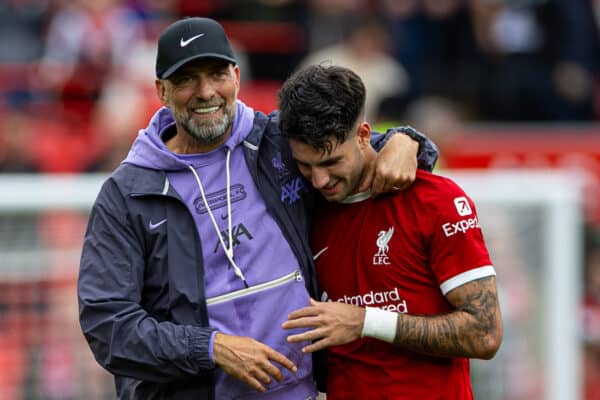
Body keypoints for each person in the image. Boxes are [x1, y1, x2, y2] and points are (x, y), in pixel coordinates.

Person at [77, 17, 439, 400]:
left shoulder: (276, 142)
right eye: (186, 79)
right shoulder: (126, 194)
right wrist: (213, 347)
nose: (205, 92)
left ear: (236, 76)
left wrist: (406, 141)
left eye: (217, 73)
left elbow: (358, 151)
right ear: (162, 91)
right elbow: (109, 326)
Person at [279, 64, 503, 399]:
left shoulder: (436, 200)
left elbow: (485, 334)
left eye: (331, 163)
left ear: (364, 135)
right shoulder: (304, 212)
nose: (319, 180)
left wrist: (365, 321)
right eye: (305, 165)